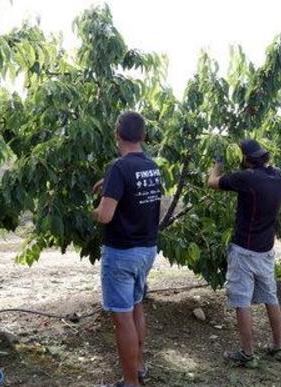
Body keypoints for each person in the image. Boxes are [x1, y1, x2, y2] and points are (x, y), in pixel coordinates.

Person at [92, 112, 162, 387]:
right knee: (136, 308)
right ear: (143, 136)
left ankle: (130, 382)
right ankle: (140, 366)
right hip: (146, 250)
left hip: (122, 253)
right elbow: (137, 191)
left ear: (116, 134)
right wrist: (108, 183)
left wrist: (94, 211)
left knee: (123, 320)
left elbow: (106, 216)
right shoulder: (153, 167)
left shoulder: (119, 169)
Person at [207, 139, 281, 368]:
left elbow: (212, 182)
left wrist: (218, 162)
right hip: (266, 250)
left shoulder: (246, 178)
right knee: (270, 297)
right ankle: (278, 346)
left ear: (246, 159)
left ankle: (247, 353)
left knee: (241, 300)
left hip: (244, 249)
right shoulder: (278, 176)